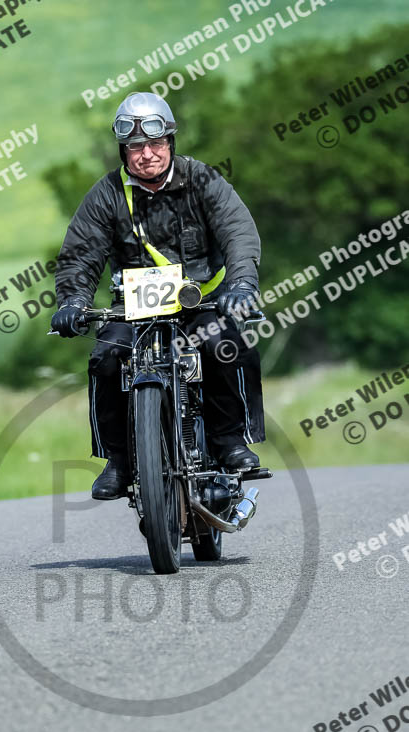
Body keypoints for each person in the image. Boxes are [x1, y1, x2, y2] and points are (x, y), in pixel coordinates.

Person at [51, 92, 265, 500]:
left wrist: (241, 285)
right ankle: (117, 460)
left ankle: (230, 442)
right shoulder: (107, 194)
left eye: (155, 144)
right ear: (123, 151)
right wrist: (73, 303)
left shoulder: (203, 180)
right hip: (134, 309)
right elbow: (80, 255)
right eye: (135, 147)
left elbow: (238, 232)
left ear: (170, 142)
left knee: (225, 344)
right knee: (106, 358)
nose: (146, 154)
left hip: (201, 300)